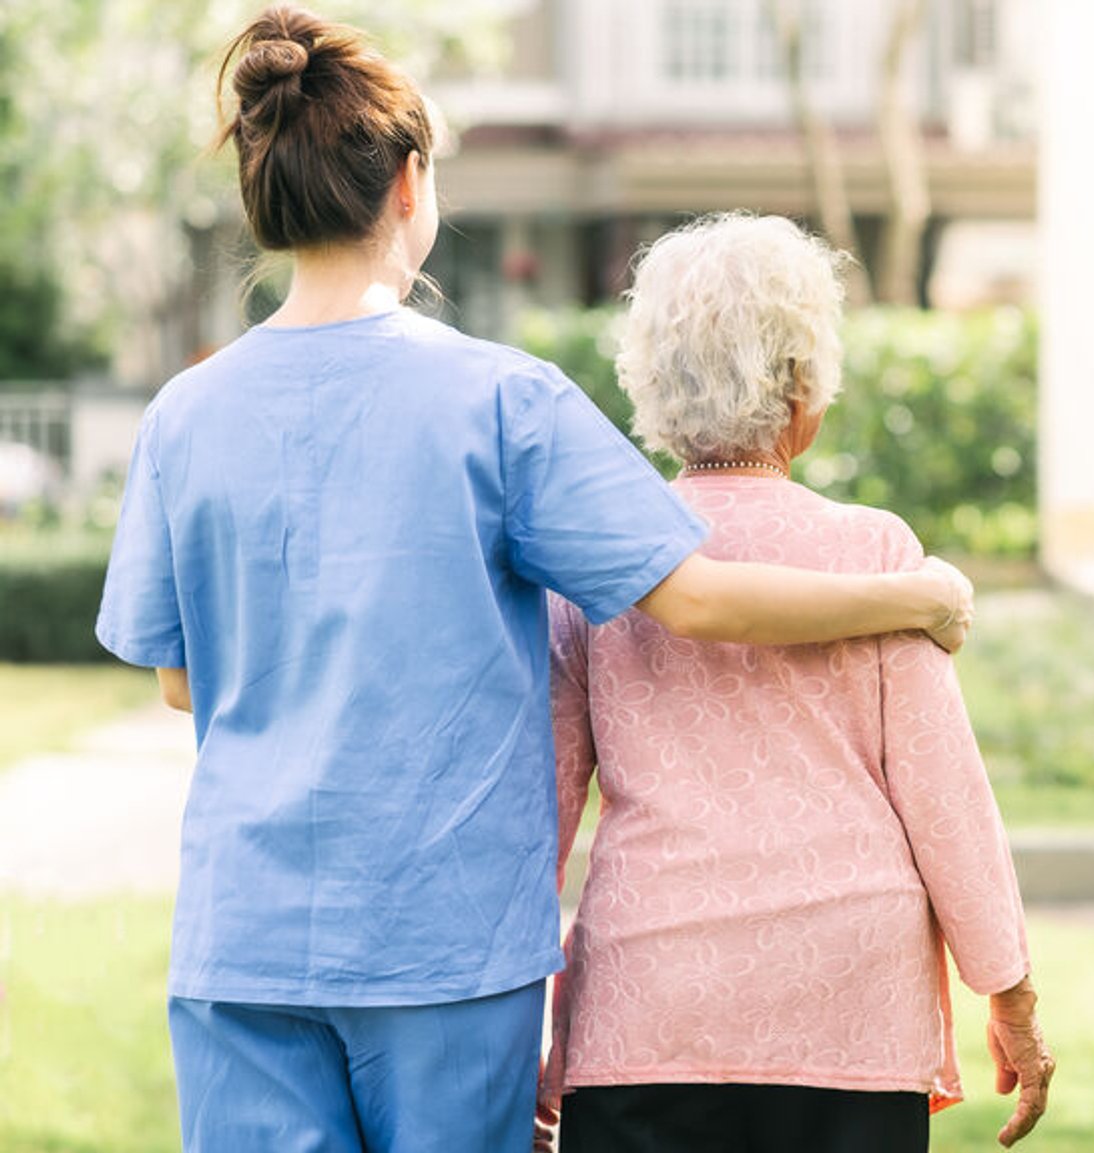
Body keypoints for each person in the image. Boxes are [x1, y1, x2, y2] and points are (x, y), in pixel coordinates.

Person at [93, 10, 974, 1152]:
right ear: (409, 185)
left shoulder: (183, 414)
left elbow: (178, 678)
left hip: (243, 938)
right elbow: (697, 596)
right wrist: (910, 597)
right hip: (444, 947)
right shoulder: (501, 403)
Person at [540, 214, 1054, 1153]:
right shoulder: (877, 555)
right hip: (851, 1003)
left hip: (653, 1000)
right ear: (802, 389)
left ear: (653, 383)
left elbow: (543, 811)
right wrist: (1009, 991)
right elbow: (945, 798)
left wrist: (531, 1030)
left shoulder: (600, 566)